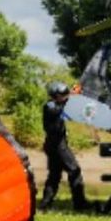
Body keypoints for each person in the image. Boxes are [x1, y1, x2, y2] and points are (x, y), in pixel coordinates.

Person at [40, 81, 92, 211]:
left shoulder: (56, 105)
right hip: (57, 145)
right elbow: (59, 108)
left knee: (54, 175)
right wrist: (72, 96)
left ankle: (45, 204)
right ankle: (80, 204)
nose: (64, 96)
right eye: (62, 94)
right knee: (74, 171)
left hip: (53, 144)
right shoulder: (50, 105)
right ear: (55, 95)